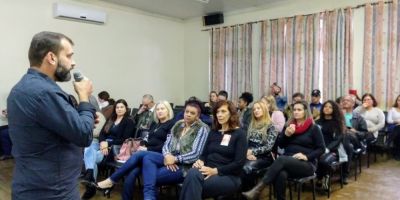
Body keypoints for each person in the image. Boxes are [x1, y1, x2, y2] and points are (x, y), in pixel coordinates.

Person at [7, 31, 96, 199]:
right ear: (51, 57)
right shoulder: (45, 93)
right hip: (53, 191)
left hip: (31, 184)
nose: (73, 63)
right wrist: (84, 97)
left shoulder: (21, 88)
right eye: (69, 56)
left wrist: (80, 116)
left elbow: (45, 128)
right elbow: (84, 135)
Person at [242, 101, 325, 200]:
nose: (296, 112)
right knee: (281, 174)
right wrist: (286, 135)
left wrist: (306, 156)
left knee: (281, 159)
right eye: (294, 110)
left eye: (299, 110)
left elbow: (321, 149)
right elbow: (280, 145)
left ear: (305, 112)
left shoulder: (314, 128)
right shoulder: (289, 126)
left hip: (307, 163)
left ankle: (258, 189)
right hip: (288, 161)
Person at [96, 101, 175, 199]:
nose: (159, 111)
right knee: (131, 172)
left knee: (138, 155)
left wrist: (147, 149)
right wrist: (142, 145)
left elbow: (168, 145)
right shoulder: (155, 124)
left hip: (160, 155)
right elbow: (148, 139)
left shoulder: (172, 125)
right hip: (146, 154)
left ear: (168, 111)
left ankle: (111, 180)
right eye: (158, 109)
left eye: (162, 109)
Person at [140, 99, 210, 200]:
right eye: (187, 112)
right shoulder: (178, 124)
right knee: (147, 159)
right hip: (171, 160)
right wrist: (168, 155)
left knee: (151, 177)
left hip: (186, 167)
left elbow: (196, 154)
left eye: (192, 113)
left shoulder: (202, 128)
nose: (188, 114)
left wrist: (175, 159)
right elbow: (166, 144)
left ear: (198, 116)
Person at [179, 100, 247, 200]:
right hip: (207, 171)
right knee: (192, 173)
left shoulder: (239, 134)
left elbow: (239, 163)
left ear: (231, 113)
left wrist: (215, 171)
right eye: (217, 112)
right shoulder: (213, 132)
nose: (219, 115)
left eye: (223, 111)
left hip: (228, 176)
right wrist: (200, 161)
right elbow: (204, 154)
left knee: (190, 185)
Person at [81, 99, 134, 199]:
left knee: (91, 157)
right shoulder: (111, 118)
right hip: (102, 144)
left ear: (126, 109)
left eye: (122, 107)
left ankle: (90, 182)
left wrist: (107, 143)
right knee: (89, 144)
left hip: (114, 147)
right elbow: (101, 133)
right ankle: (91, 180)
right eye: (117, 107)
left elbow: (125, 140)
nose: (119, 109)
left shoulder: (129, 121)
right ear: (115, 109)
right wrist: (102, 142)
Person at [241, 101, 278, 190]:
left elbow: (268, 147)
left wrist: (253, 152)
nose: (256, 111)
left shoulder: (271, 126)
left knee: (246, 168)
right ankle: (239, 191)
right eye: (254, 109)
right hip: (249, 153)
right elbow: (246, 142)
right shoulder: (251, 124)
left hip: (265, 156)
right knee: (235, 164)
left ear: (264, 110)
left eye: (259, 108)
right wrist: (247, 153)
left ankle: (249, 193)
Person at [316, 100, 346, 189]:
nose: (327, 108)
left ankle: (325, 177)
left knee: (323, 161)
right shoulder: (317, 122)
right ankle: (319, 177)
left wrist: (327, 149)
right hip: (318, 149)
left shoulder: (338, 123)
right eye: (325, 106)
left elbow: (337, 140)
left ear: (334, 110)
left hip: (332, 150)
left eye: (330, 107)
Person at [387, 95, 400, 160]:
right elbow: (389, 121)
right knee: (397, 128)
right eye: (399, 100)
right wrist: (396, 121)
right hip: (393, 126)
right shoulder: (392, 109)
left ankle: (389, 141)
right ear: (397, 101)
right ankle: (397, 154)